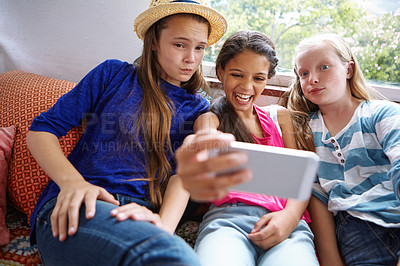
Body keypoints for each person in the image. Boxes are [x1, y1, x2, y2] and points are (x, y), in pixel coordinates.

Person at [26, 0, 227, 265]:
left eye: (200, 48)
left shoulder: (197, 108)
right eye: (180, 44)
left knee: (167, 252)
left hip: (139, 217)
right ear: (154, 41)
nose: (191, 58)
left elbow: (182, 179)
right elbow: (41, 130)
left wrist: (161, 230)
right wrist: (72, 183)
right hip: (79, 206)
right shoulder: (113, 75)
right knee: (175, 257)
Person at [191, 31, 319, 266]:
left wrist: (289, 218)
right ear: (221, 72)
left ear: (268, 78)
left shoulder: (280, 118)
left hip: (286, 224)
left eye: (258, 78)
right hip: (229, 220)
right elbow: (205, 137)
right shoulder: (211, 119)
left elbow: (301, 178)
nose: (247, 86)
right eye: (237, 75)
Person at [280, 33, 400, 266]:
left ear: (348, 70)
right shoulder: (305, 132)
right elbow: (317, 198)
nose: (312, 78)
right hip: (358, 228)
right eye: (303, 73)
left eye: (324, 67)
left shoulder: (381, 113)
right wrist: (331, 261)